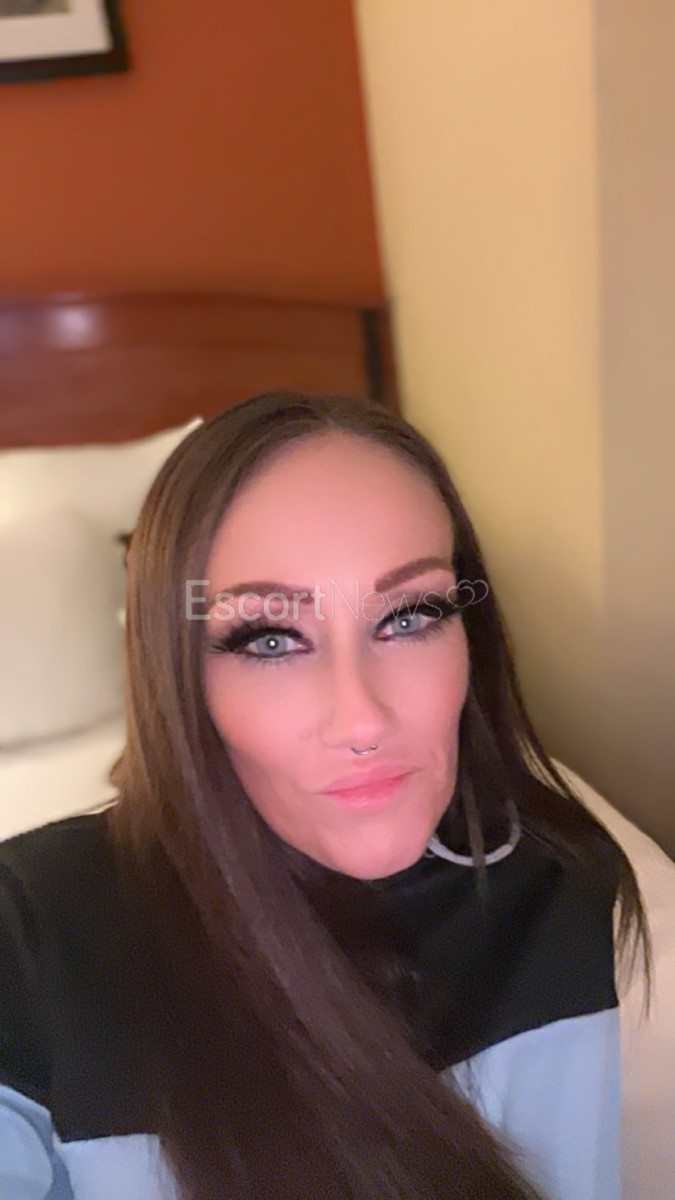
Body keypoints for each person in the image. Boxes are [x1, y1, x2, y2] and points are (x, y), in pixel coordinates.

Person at [0, 392, 653, 1200]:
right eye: (270, 639)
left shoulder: (556, 882)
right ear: (177, 673)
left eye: (408, 616)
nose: (362, 720)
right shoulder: (31, 934)